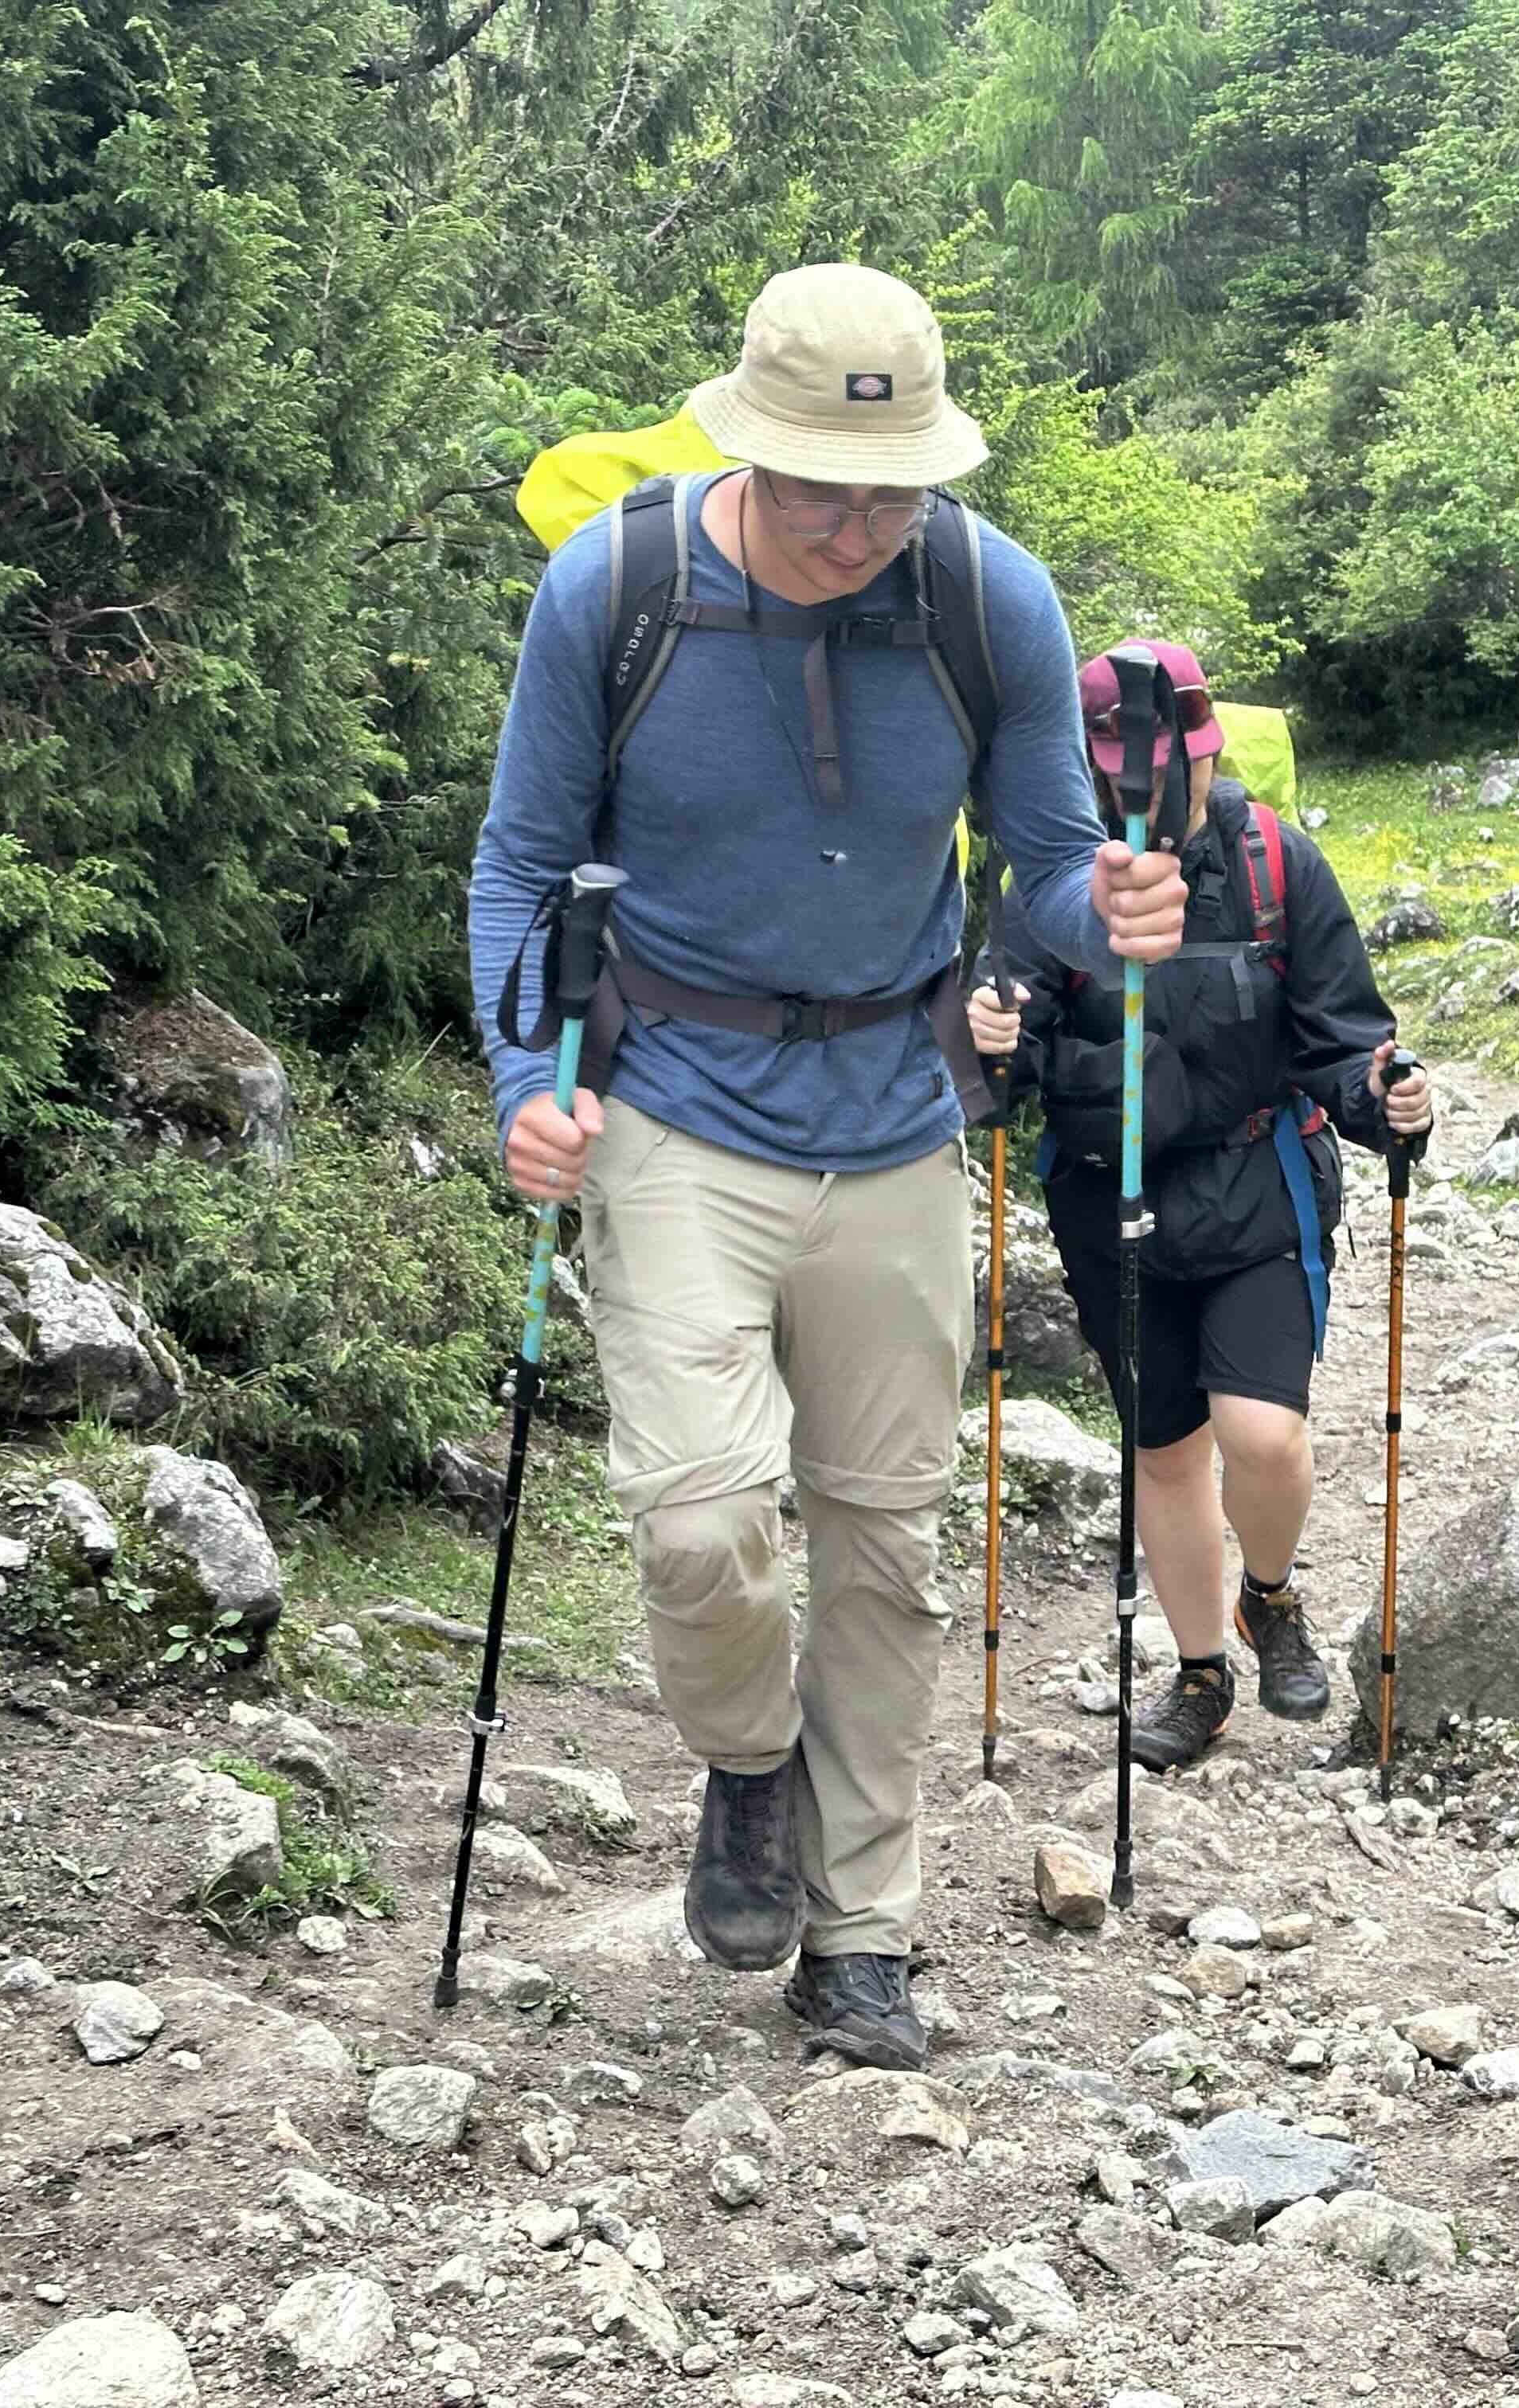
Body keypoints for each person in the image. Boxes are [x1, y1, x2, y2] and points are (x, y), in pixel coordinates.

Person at [468, 264, 1187, 2074]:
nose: (865, 525)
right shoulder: (615, 589)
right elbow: (519, 867)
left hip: (897, 1113)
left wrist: (1103, 913)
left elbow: (1041, 865)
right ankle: (747, 1763)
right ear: (743, 443)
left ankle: (861, 1934)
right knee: (702, 1521)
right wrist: (520, 1088)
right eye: (825, 487)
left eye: (898, 489)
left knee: (885, 1547)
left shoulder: (983, 592)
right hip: (674, 1111)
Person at [965, 641, 1435, 1769]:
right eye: (1124, 771)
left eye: (1170, 769)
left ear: (1205, 758)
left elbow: (1342, 1035)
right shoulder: (1052, 883)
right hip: (1103, 1198)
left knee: (1261, 1435)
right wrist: (983, 1041)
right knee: (1166, 1451)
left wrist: (1384, 1097)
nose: (1153, 795)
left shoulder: (1277, 862)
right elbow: (997, 1062)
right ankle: (1197, 1677)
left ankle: (1267, 1597)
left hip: (1254, 1182)